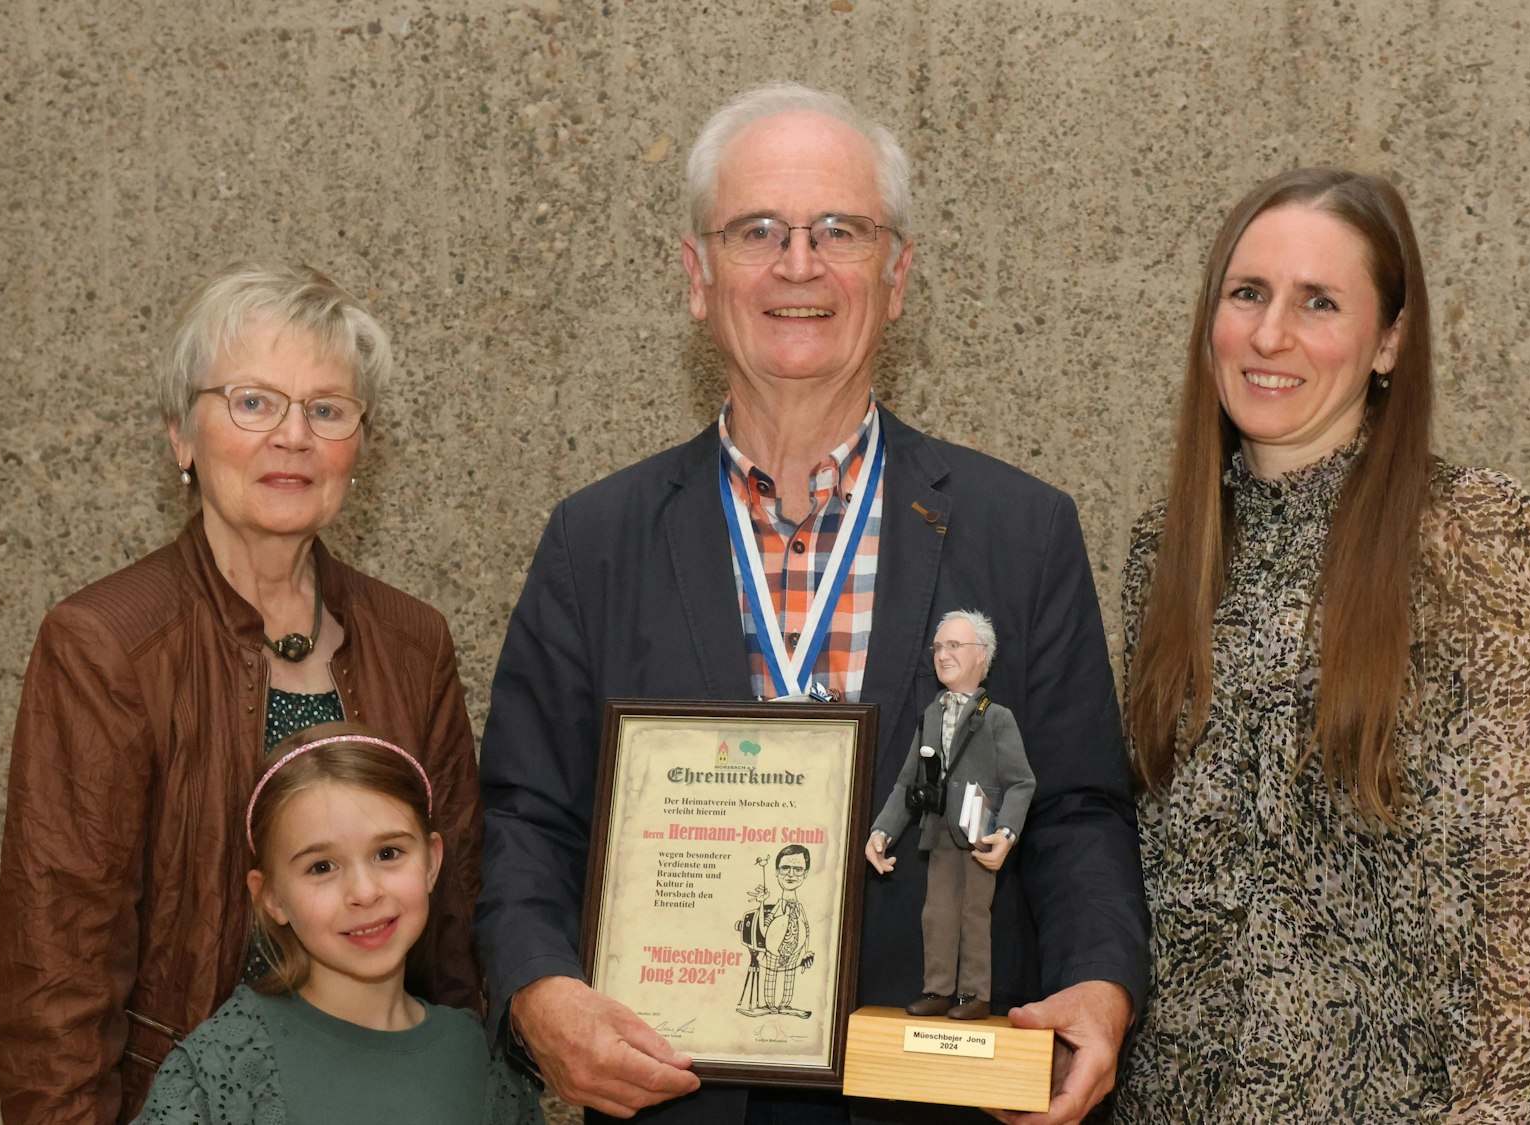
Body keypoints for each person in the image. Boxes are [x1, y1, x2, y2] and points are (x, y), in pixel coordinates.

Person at [475, 82, 1149, 1125]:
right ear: (698, 277)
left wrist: (1102, 982)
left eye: (840, 230)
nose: (799, 264)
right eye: (758, 232)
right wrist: (533, 990)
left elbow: (1075, 812)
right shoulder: (593, 543)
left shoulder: (1021, 533)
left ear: (897, 276)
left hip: (940, 1100)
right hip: (678, 1099)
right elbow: (525, 816)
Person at [1113, 168, 1530, 1122]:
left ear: (1390, 341)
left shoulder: (1471, 535)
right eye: (1248, 294)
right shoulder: (1167, 549)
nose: (1270, 335)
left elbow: (1523, 900)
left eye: (1319, 302)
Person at [0, 263, 485, 1124]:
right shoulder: (105, 645)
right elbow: (56, 971)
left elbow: (456, 934)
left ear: (358, 447)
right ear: (182, 436)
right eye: (253, 402)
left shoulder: (416, 642)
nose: (293, 436)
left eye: (327, 409)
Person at [132, 724, 538, 1125]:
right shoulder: (215, 1070)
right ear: (271, 896)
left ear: (432, 861)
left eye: (388, 853)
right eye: (321, 867)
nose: (364, 891)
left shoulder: (484, 1061)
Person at [867, 609, 1036, 1022]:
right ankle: (938, 988)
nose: (943, 654)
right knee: (937, 912)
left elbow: (1022, 782)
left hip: (979, 830)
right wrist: (882, 831)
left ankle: (974, 994)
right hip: (938, 828)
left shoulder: (997, 718)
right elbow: (907, 783)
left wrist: (1008, 832)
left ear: (982, 655)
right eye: (938, 647)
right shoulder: (930, 715)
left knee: (974, 913)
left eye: (954, 645)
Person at [736, 845, 817, 1018]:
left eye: (798, 869)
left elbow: (806, 930)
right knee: (771, 975)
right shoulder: (778, 905)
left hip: (795, 949)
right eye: (785, 868)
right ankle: (770, 1005)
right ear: (776, 871)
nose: (791, 874)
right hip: (775, 948)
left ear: (806, 873)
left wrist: (806, 951)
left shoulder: (800, 907)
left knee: (790, 975)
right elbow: (765, 928)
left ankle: (785, 1004)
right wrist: (761, 904)